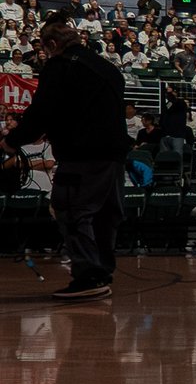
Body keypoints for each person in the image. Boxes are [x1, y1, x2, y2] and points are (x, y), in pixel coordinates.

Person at [1, 16, 129, 299]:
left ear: (53, 44)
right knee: (106, 215)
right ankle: (102, 271)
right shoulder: (107, 68)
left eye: (45, 49)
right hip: (114, 155)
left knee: (71, 210)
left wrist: (12, 141)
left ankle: (89, 276)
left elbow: (43, 111)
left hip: (82, 154)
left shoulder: (60, 67)